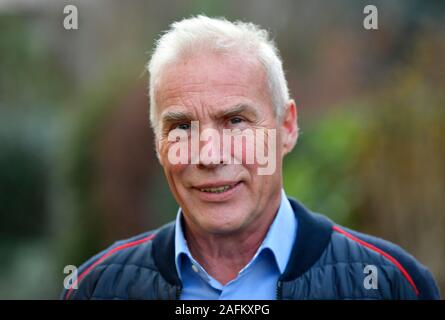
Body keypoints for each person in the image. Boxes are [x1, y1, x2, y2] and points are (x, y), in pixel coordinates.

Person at [61, 15, 440, 300]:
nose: (209, 154)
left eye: (236, 121)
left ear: (287, 128)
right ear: (158, 142)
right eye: (181, 127)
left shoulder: (391, 283)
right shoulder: (96, 287)